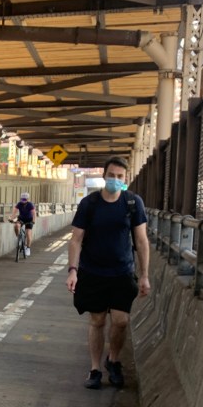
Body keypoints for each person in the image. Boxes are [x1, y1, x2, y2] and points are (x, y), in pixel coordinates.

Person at [66, 155, 150, 389]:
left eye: (120, 176)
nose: (115, 180)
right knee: (97, 320)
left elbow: (141, 241)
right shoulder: (90, 204)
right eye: (111, 175)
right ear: (104, 176)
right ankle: (95, 369)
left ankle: (113, 360)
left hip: (122, 272)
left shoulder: (133, 203)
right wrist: (73, 270)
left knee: (121, 321)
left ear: (126, 178)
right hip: (93, 271)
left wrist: (144, 275)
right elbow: (76, 239)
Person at [10, 192, 36, 256]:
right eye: (22, 199)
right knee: (16, 226)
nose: (23, 201)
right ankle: (19, 237)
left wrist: (33, 221)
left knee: (28, 233)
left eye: (24, 199)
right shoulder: (19, 204)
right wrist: (11, 219)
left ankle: (28, 248)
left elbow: (34, 213)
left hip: (29, 220)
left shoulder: (30, 204)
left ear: (27, 199)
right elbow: (14, 212)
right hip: (21, 219)